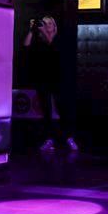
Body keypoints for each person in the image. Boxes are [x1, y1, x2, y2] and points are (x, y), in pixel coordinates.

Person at [24, 15, 78, 152]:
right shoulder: (40, 41)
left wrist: (43, 32)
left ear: (54, 26)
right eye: (44, 23)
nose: (46, 26)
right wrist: (31, 30)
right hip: (43, 80)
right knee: (46, 112)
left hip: (59, 80)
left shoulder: (60, 40)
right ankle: (49, 139)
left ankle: (68, 138)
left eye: (49, 23)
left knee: (63, 110)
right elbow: (26, 47)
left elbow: (54, 47)